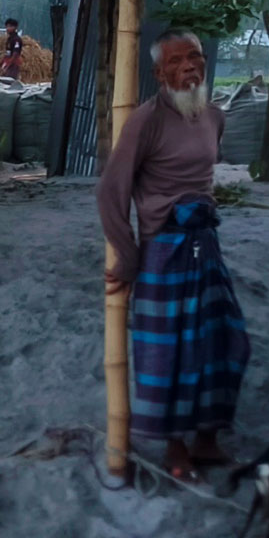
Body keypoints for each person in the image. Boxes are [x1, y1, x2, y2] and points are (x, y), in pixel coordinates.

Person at [97, 29, 249, 483]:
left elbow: (204, 181)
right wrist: (126, 256)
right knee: (170, 353)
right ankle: (176, 446)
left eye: (195, 57)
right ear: (158, 73)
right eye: (177, 61)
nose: (189, 67)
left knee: (225, 341)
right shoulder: (146, 121)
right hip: (165, 250)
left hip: (207, 246)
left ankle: (206, 439)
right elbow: (111, 192)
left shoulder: (214, 116)